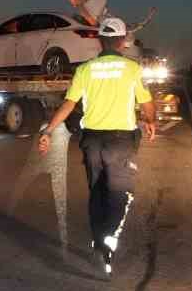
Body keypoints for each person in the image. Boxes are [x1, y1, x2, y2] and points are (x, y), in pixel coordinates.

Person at [37, 17, 158, 277]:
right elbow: (146, 102)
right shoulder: (132, 68)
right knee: (120, 192)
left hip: (91, 140)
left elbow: (69, 104)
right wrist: (150, 120)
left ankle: (98, 238)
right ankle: (108, 238)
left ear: (100, 40)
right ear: (123, 40)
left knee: (97, 190)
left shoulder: (85, 69)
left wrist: (48, 130)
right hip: (121, 140)